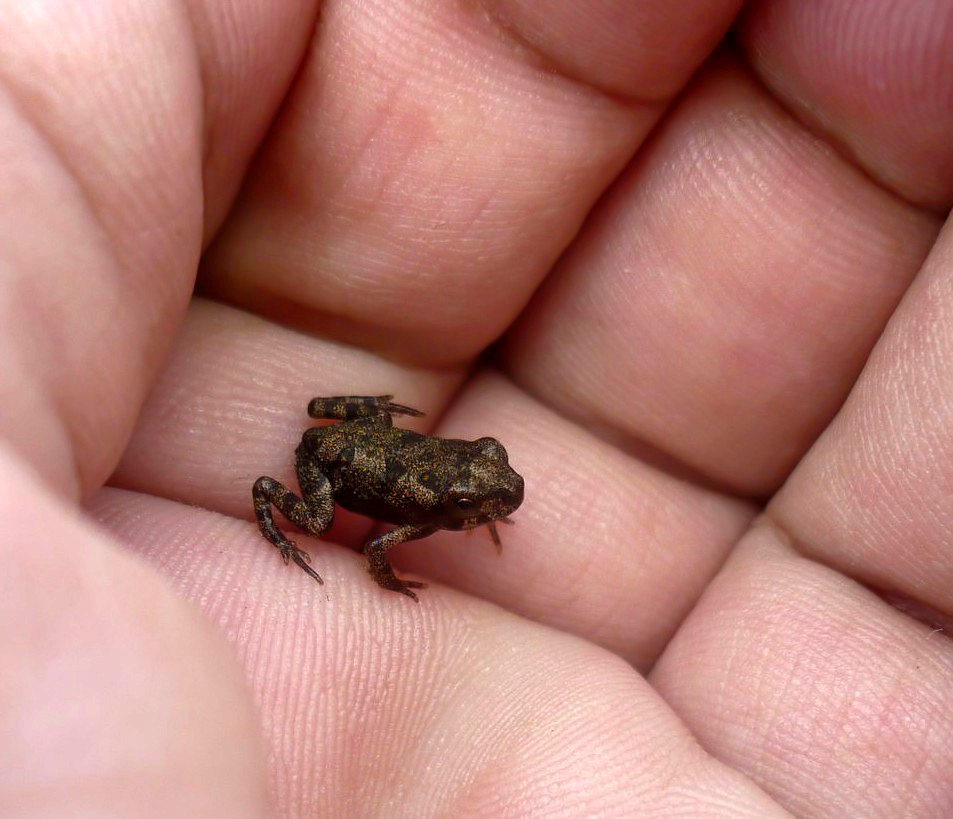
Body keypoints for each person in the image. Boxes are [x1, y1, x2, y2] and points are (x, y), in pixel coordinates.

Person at [2, 1, 951, 815]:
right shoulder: (414, 517)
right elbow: (373, 543)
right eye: (481, 500)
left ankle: (363, 425)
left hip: (377, 441)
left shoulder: (449, 493)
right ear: (452, 506)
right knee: (323, 504)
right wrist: (386, 567)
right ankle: (275, 499)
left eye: (484, 491)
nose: (494, 501)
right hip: (338, 465)